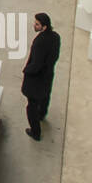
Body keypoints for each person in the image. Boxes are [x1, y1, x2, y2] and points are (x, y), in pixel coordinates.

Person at [22, 13, 61, 141]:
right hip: (48, 75)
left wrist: (26, 70)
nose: (34, 25)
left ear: (44, 27)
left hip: (36, 79)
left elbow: (36, 64)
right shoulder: (55, 37)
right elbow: (55, 57)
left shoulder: (39, 42)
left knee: (31, 107)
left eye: (37, 24)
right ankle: (42, 114)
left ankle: (35, 132)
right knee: (45, 96)